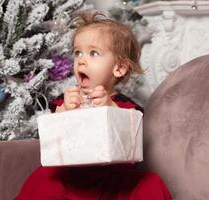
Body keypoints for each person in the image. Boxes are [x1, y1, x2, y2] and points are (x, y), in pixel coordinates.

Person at [15, 11, 171, 200]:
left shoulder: (125, 106)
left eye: (93, 53)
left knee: (150, 182)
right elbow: (53, 139)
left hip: (113, 180)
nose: (81, 59)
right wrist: (64, 111)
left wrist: (110, 107)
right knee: (45, 177)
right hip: (73, 176)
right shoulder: (66, 100)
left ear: (119, 68)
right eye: (77, 52)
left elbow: (129, 138)